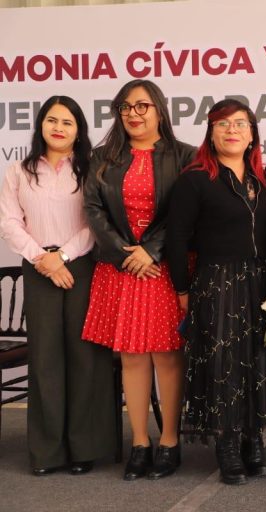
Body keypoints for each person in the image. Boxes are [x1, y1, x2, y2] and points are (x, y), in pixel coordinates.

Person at [82, 79, 196, 480]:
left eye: (142, 106)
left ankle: (169, 440)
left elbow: (185, 212)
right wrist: (125, 253)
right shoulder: (102, 157)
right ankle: (139, 443)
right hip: (120, 267)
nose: (133, 113)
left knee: (167, 354)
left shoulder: (185, 156)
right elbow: (93, 209)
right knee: (131, 356)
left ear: (160, 110)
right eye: (126, 107)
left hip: (165, 267)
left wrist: (153, 249)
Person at [166, 99, 266, 485]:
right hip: (216, 281)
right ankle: (228, 445)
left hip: (259, 282)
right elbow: (177, 239)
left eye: (240, 124)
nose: (232, 130)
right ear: (210, 133)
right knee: (223, 364)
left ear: (252, 134)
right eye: (223, 124)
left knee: (257, 360)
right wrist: (183, 289)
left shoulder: (262, 181)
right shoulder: (195, 178)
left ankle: (254, 440)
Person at [0, 96, 115, 476]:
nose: (59, 127)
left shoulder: (89, 169)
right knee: (45, 360)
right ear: (41, 125)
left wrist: (62, 257)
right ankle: (47, 452)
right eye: (52, 120)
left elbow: (94, 222)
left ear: (78, 129)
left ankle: (84, 448)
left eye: (68, 121)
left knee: (84, 358)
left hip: (81, 265)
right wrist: (43, 260)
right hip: (38, 268)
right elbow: (9, 222)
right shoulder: (19, 170)